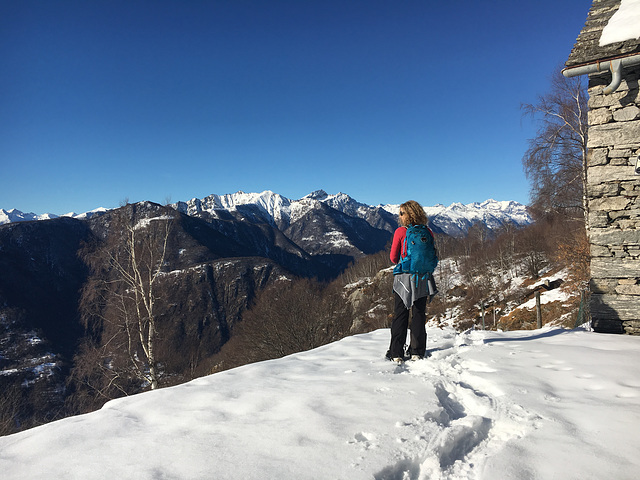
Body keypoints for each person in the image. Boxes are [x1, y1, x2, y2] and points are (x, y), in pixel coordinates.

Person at [387, 200, 434, 363]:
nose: (399, 216)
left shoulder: (400, 232)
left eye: (401, 213)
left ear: (409, 214)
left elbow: (393, 258)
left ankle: (396, 353)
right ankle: (417, 351)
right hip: (422, 277)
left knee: (401, 313)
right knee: (419, 313)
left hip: (404, 279)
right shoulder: (427, 231)